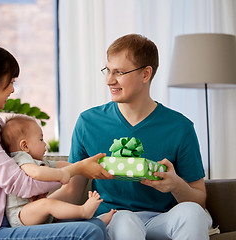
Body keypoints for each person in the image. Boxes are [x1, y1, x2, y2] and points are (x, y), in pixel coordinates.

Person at [0, 40, 114, 240]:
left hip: (9, 222)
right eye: (11, 82)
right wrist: (76, 170)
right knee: (90, 231)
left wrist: (80, 167)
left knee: (95, 223)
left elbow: (30, 161)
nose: (13, 90)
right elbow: (23, 184)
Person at [68, 34, 212, 240]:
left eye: (119, 72)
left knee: (193, 213)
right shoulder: (88, 122)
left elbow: (200, 201)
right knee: (125, 220)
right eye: (107, 70)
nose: (109, 80)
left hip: (163, 219)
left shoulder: (180, 127)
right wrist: (35, 205)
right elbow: (73, 192)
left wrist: (175, 185)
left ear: (146, 74)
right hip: (114, 218)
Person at [1, 115, 116, 227]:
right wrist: (62, 175)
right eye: (40, 139)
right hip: (21, 215)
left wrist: (83, 168)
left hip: (35, 210)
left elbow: (62, 165)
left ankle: (97, 222)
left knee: (59, 210)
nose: (45, 143)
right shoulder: (20, 158)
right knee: (48, 204)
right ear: (24, 146)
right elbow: (37, 173)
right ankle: (83, 211)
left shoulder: (38, 161)